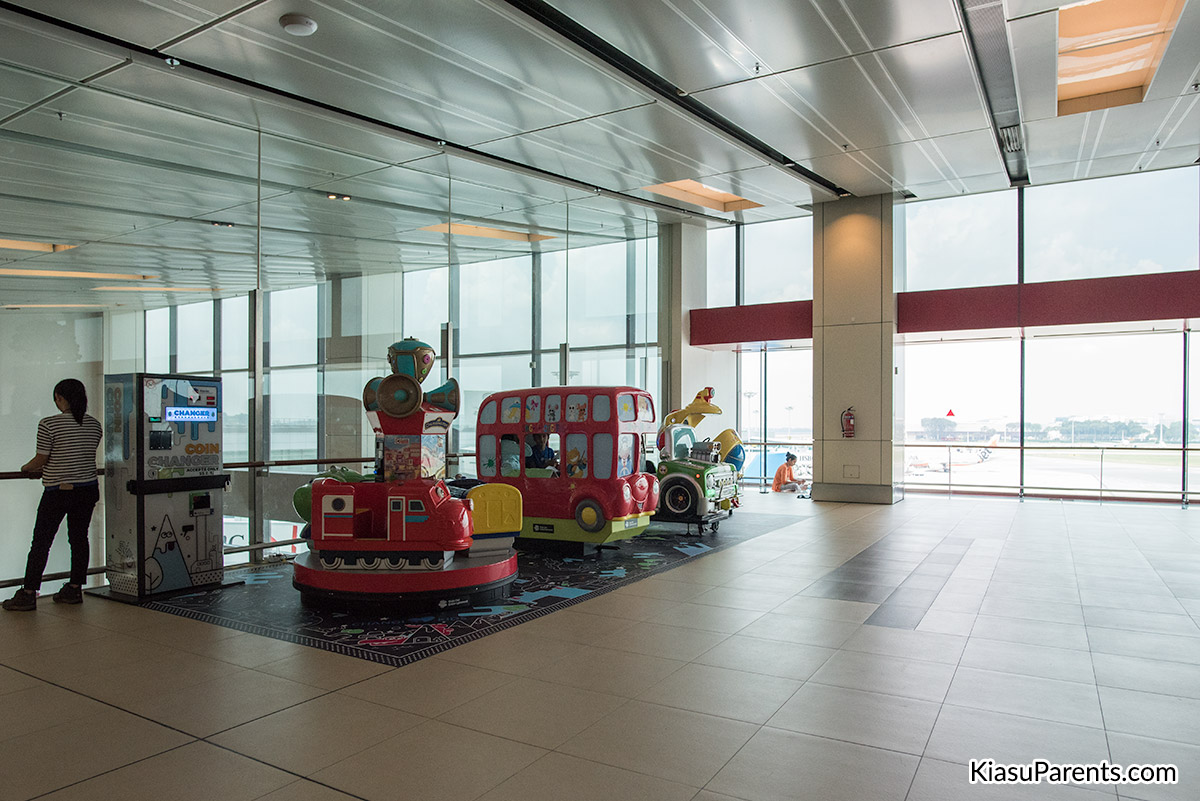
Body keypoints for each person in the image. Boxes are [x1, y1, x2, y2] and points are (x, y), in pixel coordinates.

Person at [3, 379, 103, 612]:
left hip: (59, 491)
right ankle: (75, 588)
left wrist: (25, 469)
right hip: (88, 489)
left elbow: (41, 460)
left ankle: (28, 593)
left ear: (59, 397)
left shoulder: (49, 424)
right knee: (79, 539)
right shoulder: (94, 424)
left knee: (41, 542)